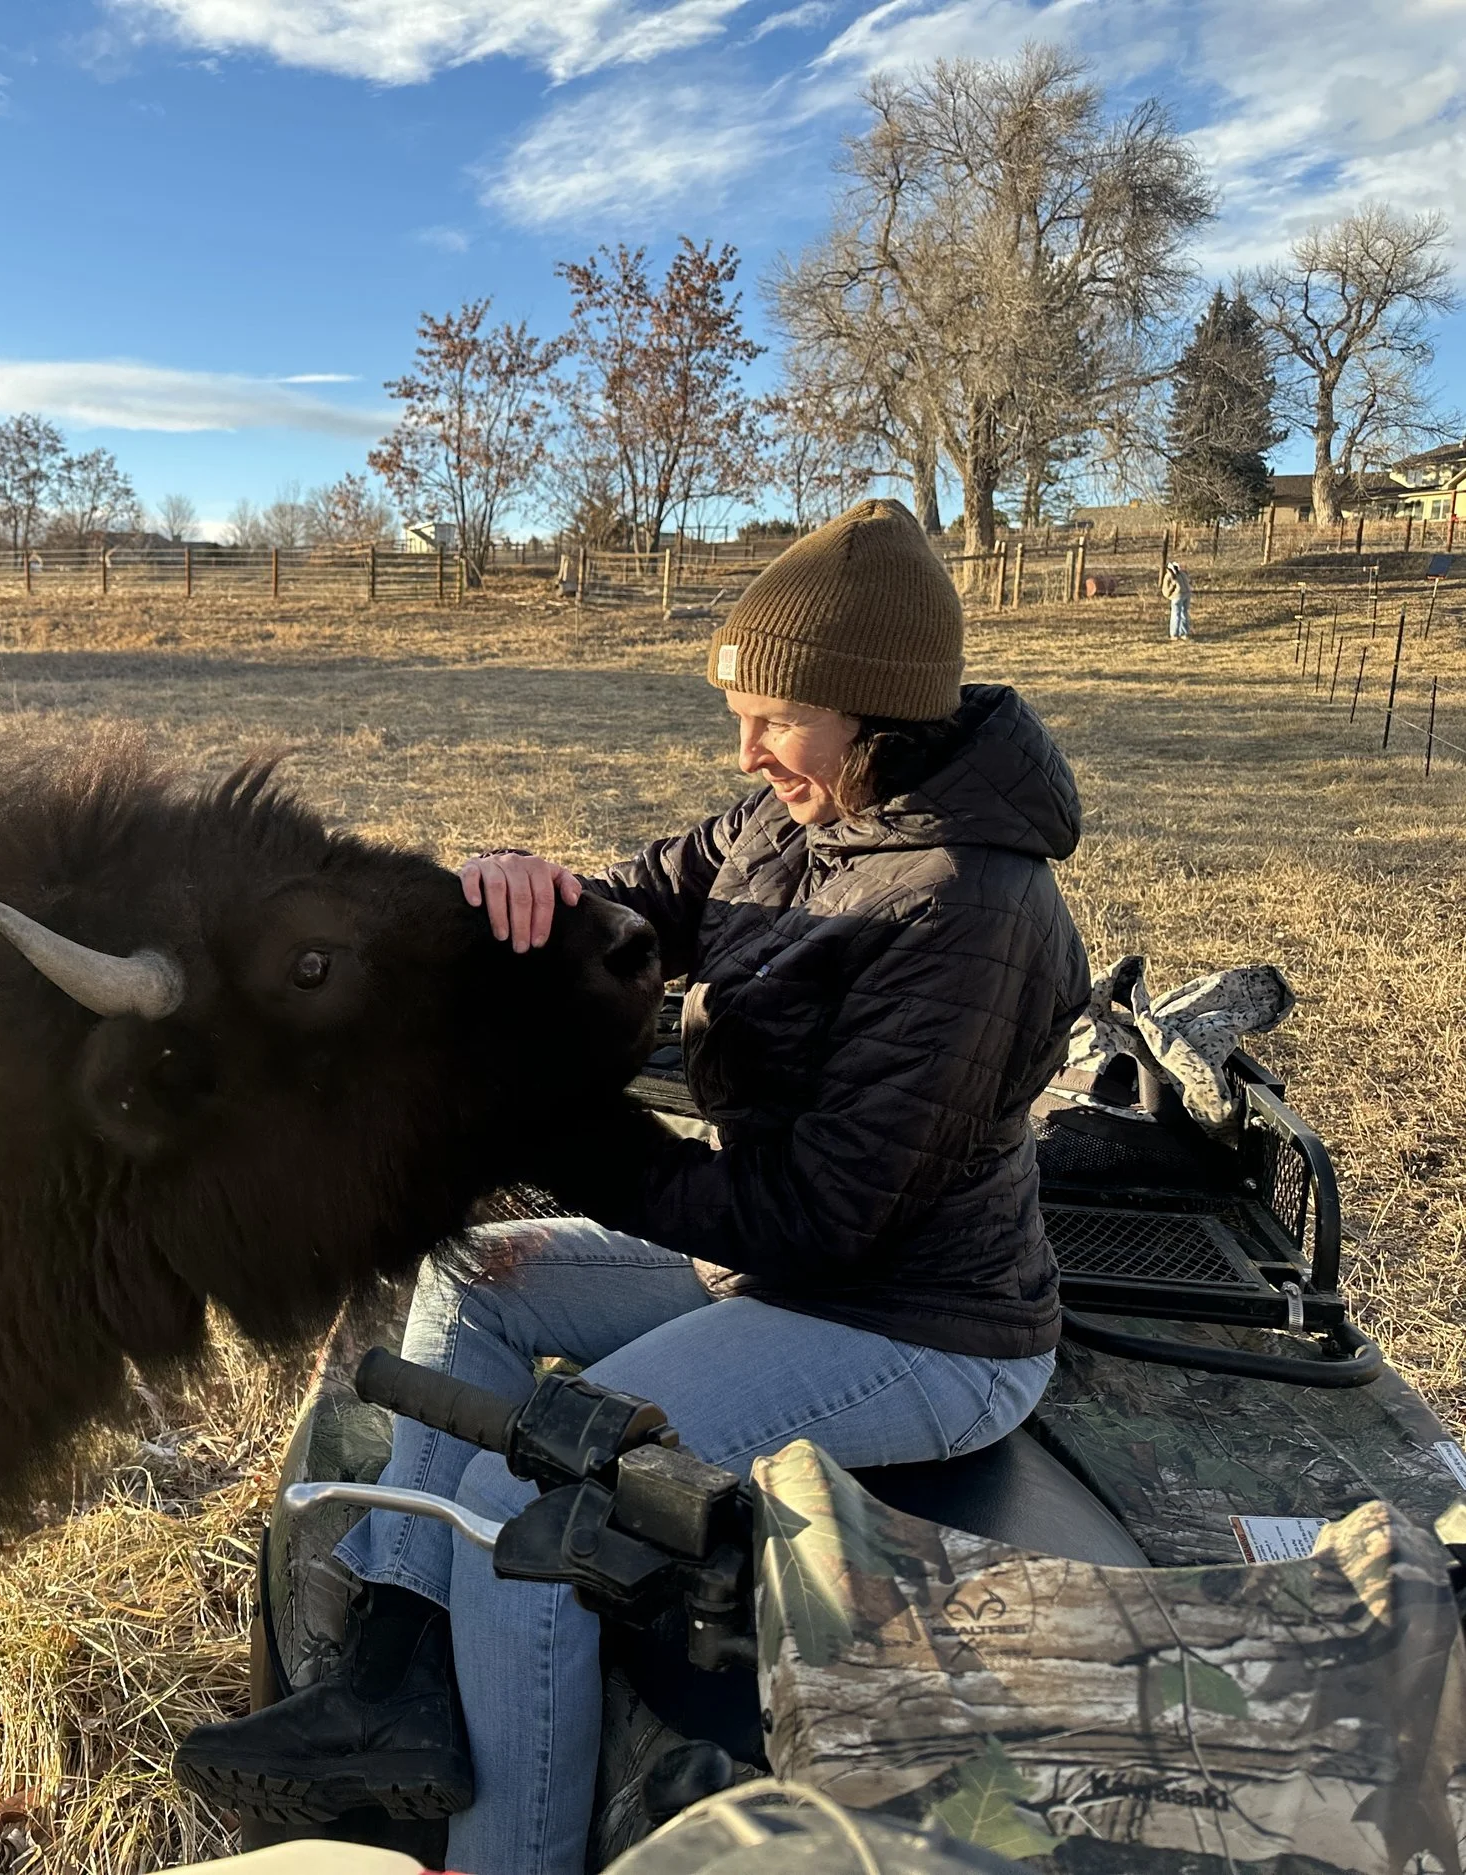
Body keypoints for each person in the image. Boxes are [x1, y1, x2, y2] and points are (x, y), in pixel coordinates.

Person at [176, 499, 1091, 1874]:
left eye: (774, 717)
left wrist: (565, 1128)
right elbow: (628, 909)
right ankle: (394, 1680)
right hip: (784, 1269)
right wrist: (505, 902)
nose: (747, 749)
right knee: (474, 1275)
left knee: (542, 1510)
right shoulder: (795, 821)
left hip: (916, 1321)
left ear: (870, 711)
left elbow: (824, 1218)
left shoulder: (969, 905)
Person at [1161, 558, 1192, 639]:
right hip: (1187, 594)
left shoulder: (1168, 576)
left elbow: (1165, 590)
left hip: (1177, 596)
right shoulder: (1183, 574)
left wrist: (1170, 595)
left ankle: (1174, 634)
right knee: (1184, 613)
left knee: (1175, 614)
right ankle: (1184, 633)